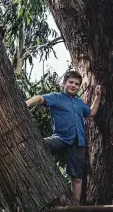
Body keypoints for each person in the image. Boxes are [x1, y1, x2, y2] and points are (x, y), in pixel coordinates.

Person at [26, 70, 102, 201]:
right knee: (40, 145)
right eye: (71, 82)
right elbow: (39, 98)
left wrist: (98, 96)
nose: (73, 85)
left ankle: (76, 206)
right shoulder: (57, 97)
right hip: (61, 138)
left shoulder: (79, 102)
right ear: (64, 83)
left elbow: (91, 112)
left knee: (77, 178)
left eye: (77, 84)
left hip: (78, 141)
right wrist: (27, 103)